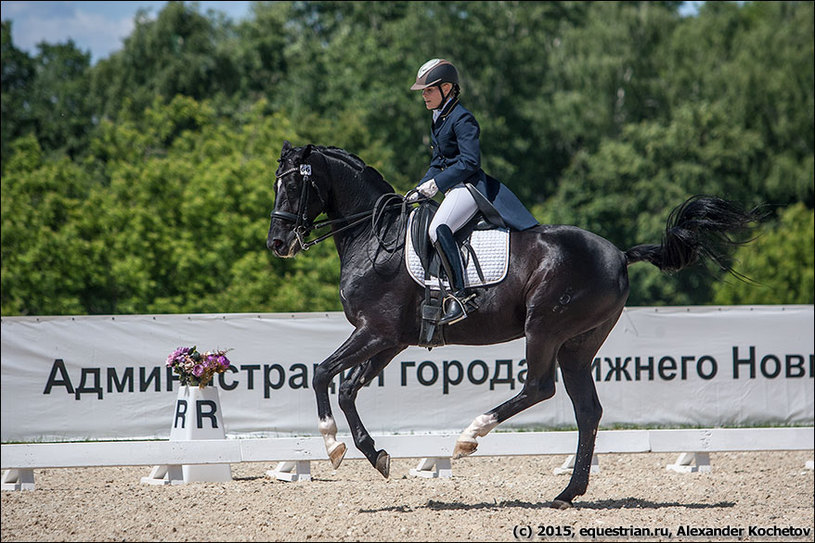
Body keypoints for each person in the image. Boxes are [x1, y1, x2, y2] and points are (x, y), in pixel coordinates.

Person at [407, 58, 538, 326]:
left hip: (468, 186)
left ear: (446, 88)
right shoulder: (439, 118)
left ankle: (461, 297)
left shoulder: (461, 117)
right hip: (452, 186)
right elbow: (438, 163)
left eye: (428, 90)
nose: (424, 95)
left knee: (438, 228)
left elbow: (469, 162)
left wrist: (438, 185)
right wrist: (420, 188)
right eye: (423, 91)